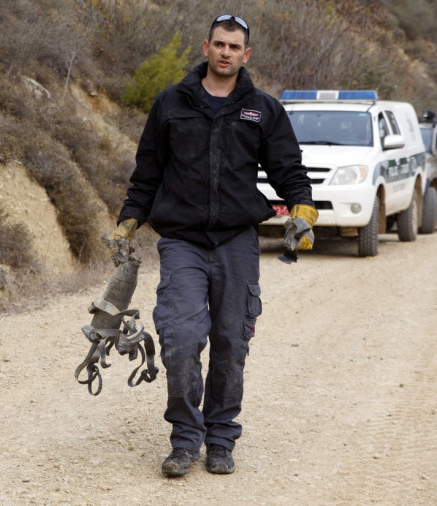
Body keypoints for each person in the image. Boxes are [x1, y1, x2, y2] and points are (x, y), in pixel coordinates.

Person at [108, 14, 317, 478]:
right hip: (181, 241)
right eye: (219, 44)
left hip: (237, 242)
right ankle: (185, 439)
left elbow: (288, 169)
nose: (226, 52)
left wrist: (302, 208)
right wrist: (128, 220)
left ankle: (221, 438)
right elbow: (147, 174)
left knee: (230, 342)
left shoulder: (262, 109)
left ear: (247, 55)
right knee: (180, 340)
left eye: (234, 46)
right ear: (205, 47)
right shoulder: (170, 104)